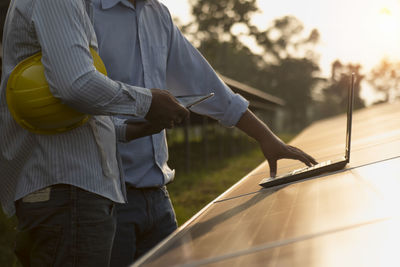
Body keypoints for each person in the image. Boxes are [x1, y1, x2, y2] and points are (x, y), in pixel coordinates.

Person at [92, 0, 318, 266]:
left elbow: (204, 82)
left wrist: (266, 137)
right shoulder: (84, 11)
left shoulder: (157, 14)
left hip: (158, 197)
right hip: (106, 200)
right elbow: (76, 93)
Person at [0, 0, 189, 266]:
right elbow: (75, 85)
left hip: (71, 194)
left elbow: (64, 108)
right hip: (68, 194)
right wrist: (148, 102)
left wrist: (128, 130)